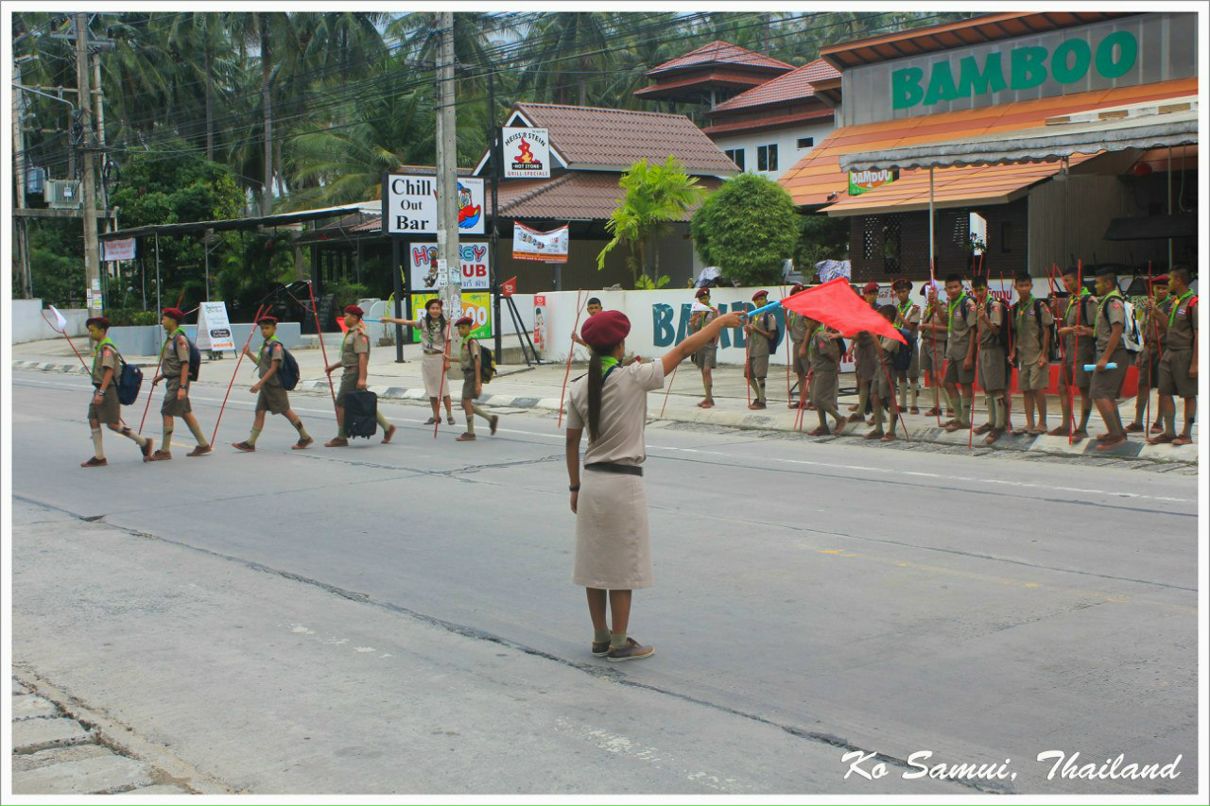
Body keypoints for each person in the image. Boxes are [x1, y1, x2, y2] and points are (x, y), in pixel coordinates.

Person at [565, 307, 743, 662]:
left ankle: (600, 636)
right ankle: (619, 641)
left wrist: (574, 486)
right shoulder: (636, 376)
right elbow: (684, 348)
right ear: (620, 343)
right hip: (623, 485)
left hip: (592, 483)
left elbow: (571, 442)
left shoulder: (581, 386)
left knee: (594, 565)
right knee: (622, 568)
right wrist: (720, 322)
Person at [80, 316, 155, 467]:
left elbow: (108, 372)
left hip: (108, 391)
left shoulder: (107, 348)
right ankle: (99, 457)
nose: (90, 334)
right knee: (93, 419)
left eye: (92, 330)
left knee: (113, 424)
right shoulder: (101, 347)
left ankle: (143, 442)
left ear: (102, 331)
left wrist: (101, 393)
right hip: (100, 389)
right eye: (89, 331)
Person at [231, 315, 313, 452]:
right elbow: (261, 364)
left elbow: (274, 368)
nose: (264, 331)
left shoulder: (276, 346)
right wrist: (248, 354)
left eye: (267, 328)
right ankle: (250, 443)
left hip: (275, 385)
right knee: (259, 411)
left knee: (285, 411)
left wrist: (259, 384)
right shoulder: (265, 345)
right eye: (262, 328)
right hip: (266, 386)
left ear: (275, 329)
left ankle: (305, 437)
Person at [324, 304, 396, 447]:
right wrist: (333, 367)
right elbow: (349, 357)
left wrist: (362, 378)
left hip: (353, 373)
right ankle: (387, 427)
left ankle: (341, 436)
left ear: (354, 317)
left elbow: (362, 357)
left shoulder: (359, 335)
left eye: (346, 315)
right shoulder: (350, 333)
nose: (344, 318)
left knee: (340, 404)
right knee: (362, 404)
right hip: (349, 370)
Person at [381, 298, 455, 426]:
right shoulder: (423, 322)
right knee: (431, 390)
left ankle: (449, 414)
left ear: (440, 310)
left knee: (444, 390)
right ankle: (435, 415)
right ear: (428, 310)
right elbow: (407, 322)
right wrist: (390, 320)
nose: (435, 310)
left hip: (439, 358)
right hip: (427, 358)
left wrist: (447, 360)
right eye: (432, 308)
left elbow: (448, 342)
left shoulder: (445, 325)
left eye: (437, 308)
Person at [150, 307, 210, 459]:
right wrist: (162, 375)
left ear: (172, 320)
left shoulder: (179, 339)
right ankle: (203, 444)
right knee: (185, 412)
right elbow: (174, 363)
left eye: (164, 318)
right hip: (173, 379)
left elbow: (185, 364)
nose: (162, 321)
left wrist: (182, 387)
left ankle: (165, 451)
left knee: (167, 412)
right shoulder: (171, 338)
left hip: (178, 382)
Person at [1151, 265, 1198, 447]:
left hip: (1185, 353)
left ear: (1178, 280)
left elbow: (1199, 334)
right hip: (1169, 351)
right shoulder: (1176, 302)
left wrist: (1195, 363)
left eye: (1170, 280)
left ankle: (1186, 433)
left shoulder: (1193, 303)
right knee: (1164, 390)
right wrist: (1156, 313)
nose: (1168, 283)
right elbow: (1168, 327)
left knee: (1188, 393)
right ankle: (1169, 431)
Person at [1088, 266, 1132, 450]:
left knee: (1099, 393)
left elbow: (1117, 329)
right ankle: (1117, 431)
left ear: (1107, 283)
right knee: (1108, 394)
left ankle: (1116, 436)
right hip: (1109, 352)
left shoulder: (1113, 302)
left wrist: (1105, 358)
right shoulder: (1105, 301)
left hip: (1113, 354)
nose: (1095, 286)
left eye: (1098, 283)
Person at [1052, 265, 1097, 441]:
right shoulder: (1072, 300)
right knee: (1062, 386)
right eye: (1063, 281)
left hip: (1083, 351)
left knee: (1084, 389)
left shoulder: (1088, 301)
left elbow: (1096, 329)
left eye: (1068, 280)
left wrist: (1070, 330)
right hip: (1069, 351)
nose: (1065, 284)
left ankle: (1082, 427)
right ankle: (1065, 424)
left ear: (1078, 280)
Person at [1008, 271, 1053, 435]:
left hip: (1036, 354)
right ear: (1016, 287)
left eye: (1027, 285)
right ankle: (1029, 423)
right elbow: (1014, 333)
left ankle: (1042, 422)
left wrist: (1044, 354)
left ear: (1031, 286)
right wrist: (1013, 352)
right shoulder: (1015, 308)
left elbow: (1047, 330)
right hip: (1022, 356)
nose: (1024, 288)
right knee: (1026, 389)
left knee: (1038, 388)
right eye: (1021, 285)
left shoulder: (1039, 306)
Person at [1126, 275, 1170, 434]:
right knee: (1142, 384)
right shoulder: (1147, 306)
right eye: (1158, 288)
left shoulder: (1170, 305)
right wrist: (1139, 352)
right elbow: (1142, 328)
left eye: (1164, 288)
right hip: (1148, 347)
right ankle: (1138, 421)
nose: (1161, 291)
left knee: (1163, 387)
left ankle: (1159, 422)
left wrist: (1157, 312)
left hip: (1163, 348)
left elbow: (1170, 327)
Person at [970, 276, 1008, 443]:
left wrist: (985, 317)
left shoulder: (994, 305)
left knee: (996, 387)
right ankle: (991, 421)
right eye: (976, 289)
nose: (979, 292)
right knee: (987, 388)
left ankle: (1000, 425)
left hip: (994, 349)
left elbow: (996, 330)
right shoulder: (977, 305)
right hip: (982, 350)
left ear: (987, 288)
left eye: (981, 289)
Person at [454, 315, 499, 441]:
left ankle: (470, 433)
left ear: (469, 328)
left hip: (472, 375)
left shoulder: (472, 342)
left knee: (466, 402)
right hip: (468, 375)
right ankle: (490, 419)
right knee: (464, 403)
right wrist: (448, 358)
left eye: (463, 328)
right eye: (459, 328)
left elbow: (477, 360)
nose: (460, 330)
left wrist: (478, 382)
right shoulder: (465, 341)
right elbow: (464, 359)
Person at [941, 275, 977, 433]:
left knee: (965, 384)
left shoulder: (967, 303)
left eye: (956, 286)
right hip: (952, 351)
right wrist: (935, 302)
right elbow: (944, 321)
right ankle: (958, 416)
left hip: (964, 351)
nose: (953, 290)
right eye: (950, 287)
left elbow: (973, 330)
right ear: (946, 290)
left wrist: (970, 355)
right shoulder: (951, 303)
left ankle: (965, 419)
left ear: (961, 287)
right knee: (948, 382)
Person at [805, 319, 847, 436]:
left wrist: (835, 364)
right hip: (818, 369)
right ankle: (823, 425)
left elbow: (827, 353)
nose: (805, 323)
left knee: (819, 398)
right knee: (815, 398)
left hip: (825, 369)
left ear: (814, 322)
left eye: (807, 320)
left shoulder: (820, 335)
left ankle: (840, 419)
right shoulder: (816, 335)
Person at [849, 282, 882, 424]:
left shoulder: (879, 310)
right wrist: (851, 345)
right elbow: (856, 330)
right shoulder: (859, 309)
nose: (872, 296)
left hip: (872, 347)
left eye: (875, 294)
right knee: (862, 380)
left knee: (874, 381)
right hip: (861, 348)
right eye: (870, 294)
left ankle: (879, 413)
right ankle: (861, 412)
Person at [918, 282, 952, 419]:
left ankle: (950, 406)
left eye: (930, 294)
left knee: (938, 376)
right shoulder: (927, 309)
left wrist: (928, 326)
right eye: (927, 295)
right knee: (930, 375)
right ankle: (936, 406)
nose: (928, 297)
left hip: (937, 344)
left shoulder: (944, 307)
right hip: (926, 343)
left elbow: (948, 327)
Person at [868, 304, 901, 442]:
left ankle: (892, 431)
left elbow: (883, 353)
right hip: (879, 368)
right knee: (875, 396)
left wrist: (873, 335)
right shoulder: (884, 330)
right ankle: (878, 428)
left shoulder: (893, 332)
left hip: (888, 368)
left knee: (889, 398)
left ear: (887, 318)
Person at [891, 278, 922, 414]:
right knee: (901, 374)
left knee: (913, 374)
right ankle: (902, 404)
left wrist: (902, 318)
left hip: (910, 343)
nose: (901, 294)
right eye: (898, 292)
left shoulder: (914, 308)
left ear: (909, 291)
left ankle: (914, 405)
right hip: (899, 344)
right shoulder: (896, 308)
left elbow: (911, 326)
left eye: (903, 291)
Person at [687, 287, 719, 408]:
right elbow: (694, 330)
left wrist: (715, 344)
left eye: (706, 298)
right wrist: (693, 321)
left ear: (709, 298)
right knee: (703, 371)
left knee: (707, 370)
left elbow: (718, 328)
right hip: (699, 344)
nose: (704, 300)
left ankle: (709, 398)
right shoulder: (696, 311)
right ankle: (708, 397)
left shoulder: (713, 311)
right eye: (701, 299)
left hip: (710, 345)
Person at [744, 290, 776, 410]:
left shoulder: (769, 315)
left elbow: (771, 336)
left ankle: (762, 401)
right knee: (748, 374)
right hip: (752, 348)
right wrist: (748, 330)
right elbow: (751, 333)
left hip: (762, 349)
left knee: (760, 376)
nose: (759, 302)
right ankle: (760, 397)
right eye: (757, 300)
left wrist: (756, 330)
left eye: (761, 299)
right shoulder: (753, 315)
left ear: (766, 301)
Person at [785, 284, 809, 408]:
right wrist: (785, 313)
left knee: (809, 373)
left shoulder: (805, 310)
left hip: (805, 343)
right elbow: (789, 327)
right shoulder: (792, 311)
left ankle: (813, 401)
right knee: (800, 373)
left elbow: (809, 329)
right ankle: (802, 400)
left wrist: (805, 346)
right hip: (796, 344)